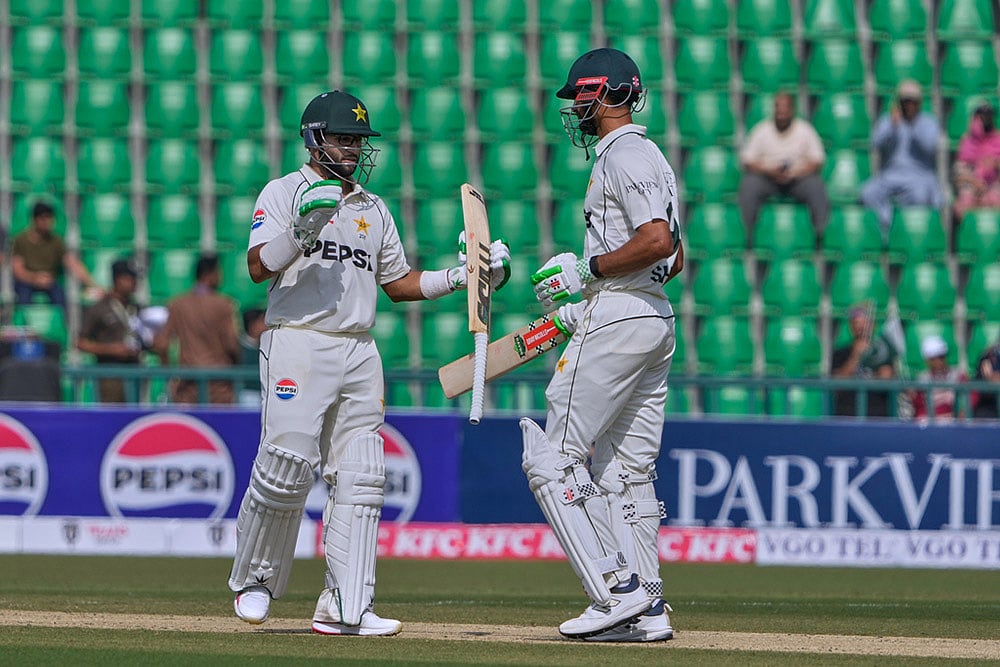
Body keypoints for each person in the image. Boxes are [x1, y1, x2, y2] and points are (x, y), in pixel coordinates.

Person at [227, 90, 510, 636]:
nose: (353, 148)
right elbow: (258, 267)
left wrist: (461, 276)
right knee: (286, 464)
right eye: (342, 138)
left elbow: (398, 284)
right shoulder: (284, 191)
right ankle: (257, 580)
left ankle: (344, 603)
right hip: (299, 341)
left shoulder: (373, 208)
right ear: (315, 138)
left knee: (361, 475)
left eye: (358, 140)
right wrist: (301, 232)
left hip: (359, 347)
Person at [525, 48, 682, 643]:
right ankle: (649, 607)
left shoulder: (627, 154)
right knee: (626, 472)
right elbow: (676, 255)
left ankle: (615, 590)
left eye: (580, 97)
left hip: (620, 315)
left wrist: (589, 274)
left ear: (604, 93)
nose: (575, 110)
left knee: (553, 455)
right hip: (654, 317)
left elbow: (658, 240)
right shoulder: (657, 160)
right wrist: (586, 299)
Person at [738, 92, 830, 238]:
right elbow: (747, 161)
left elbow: (817, 160)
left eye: (784, 108)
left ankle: (821, 234)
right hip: (768, 178)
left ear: (792, 110)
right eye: (778, 107)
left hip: (798, 179)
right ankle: (746, 233)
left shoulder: (805, 130)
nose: (781, 112)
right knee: (750, 184)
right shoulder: (762, 130)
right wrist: (770, 171)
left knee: (815, 185)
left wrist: (795, 172)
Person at [152, 254, 241, 404]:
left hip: (188, 383)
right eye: (219, 273)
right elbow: (231, 344)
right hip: (218, 384)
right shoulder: (224, 305)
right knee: (218, 426)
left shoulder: (178, 304)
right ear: (210, 274)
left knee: (190, 426)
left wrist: (170, 376)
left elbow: (161, 344)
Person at [860, 80, 943, 236]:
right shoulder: (889, 120)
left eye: (912, 101)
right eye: (905, 101)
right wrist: (892, 126)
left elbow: (929, 146)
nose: (909, 105)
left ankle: (907, 234)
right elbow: (875, 143)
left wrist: (913, 124)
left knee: (920, 196)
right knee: (868, 193)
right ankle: (888, 225)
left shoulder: (928, 122)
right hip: (891, 174)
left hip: (919, 175)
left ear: (919, 103)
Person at [76, 259, 143, 403]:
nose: (135, 283)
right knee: (113, 416)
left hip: (134, 371)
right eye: (130, 279)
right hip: (109, 374)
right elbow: (80, 343)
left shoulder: (136, 308)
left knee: (134, 418)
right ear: (118, 280)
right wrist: (111, 349)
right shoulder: (99, 308)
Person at [12, 200, 101, 305]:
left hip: (50, 281)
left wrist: (91, 284)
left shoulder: (56, 241)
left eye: (50, 217)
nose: (47, 222)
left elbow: (72, 264)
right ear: (35, 219)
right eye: (43, 218)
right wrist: (35, 278)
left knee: (61, 298)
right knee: (23, 298)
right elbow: (17, 269)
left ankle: (64, 321)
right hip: (26, 281)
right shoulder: (21, 240)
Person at [830, 306, 898, 417]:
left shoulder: (883, 352)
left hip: (877, 415)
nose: (861, 327)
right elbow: (836, 387)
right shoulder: (840, 353)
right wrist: (855, 356)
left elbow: (890, 382)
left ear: (873, 325)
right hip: (848, 414)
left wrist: (886, 377)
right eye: (857, 323)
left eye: (865, 323)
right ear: (851, 326)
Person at [952, 101, 1000, 221]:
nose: (986, 119)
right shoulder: (967, 142)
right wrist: (975, 183)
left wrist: (996, 163)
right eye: (982, 115)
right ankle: (968, 237)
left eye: (989, 115)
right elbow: (958, 177)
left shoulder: (998, 139)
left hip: (993, 186)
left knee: (995, 200)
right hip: (971, 186)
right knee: (965, 202)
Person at [910, 335, 967, 422]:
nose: (939, 362)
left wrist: (961, 412)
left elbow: (969, 401)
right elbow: (920, 410)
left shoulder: (958, 375)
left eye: (941, 357)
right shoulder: (921, 379)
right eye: (933, 359)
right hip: (931, 423)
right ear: (927, 360)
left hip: (954, 421)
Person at [237, 307, 267, 405]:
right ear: (253, 324)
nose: (266, 325)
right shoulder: (239, 348)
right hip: (247, 394)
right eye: (262, 321)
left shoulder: (268, 346)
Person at [972, 337, 1000, 419]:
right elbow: (984, 387)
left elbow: (994, 378)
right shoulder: (988, 356)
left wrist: (994, 377)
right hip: (990, 408)